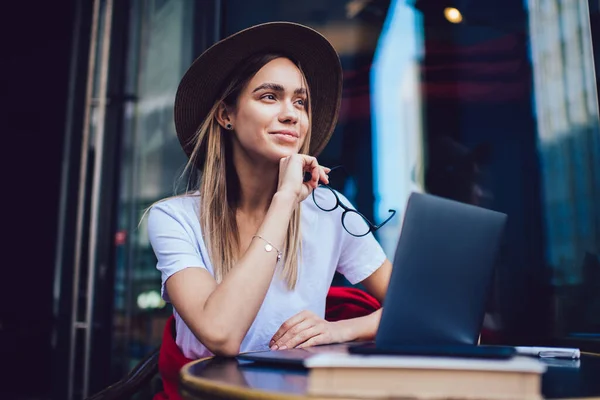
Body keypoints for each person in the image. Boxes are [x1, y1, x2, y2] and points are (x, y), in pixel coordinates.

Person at [146, 22, 392, 360]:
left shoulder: (329, 208)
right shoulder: (174, 218)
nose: (291, 114)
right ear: (225, 114)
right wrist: (285, 200)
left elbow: (418, 311)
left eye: (301, 102)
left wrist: (340, 329)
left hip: (301, 390)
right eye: (270, 97)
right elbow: (222, 335)